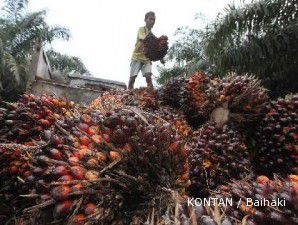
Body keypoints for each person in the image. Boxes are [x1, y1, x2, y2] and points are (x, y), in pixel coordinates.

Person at [128, 11, 164, 90]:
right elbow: (143, 39)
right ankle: (128, 94)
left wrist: (161, 57)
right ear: (145, 20)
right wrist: (155, 41)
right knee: (132, 78)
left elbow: (156, 48)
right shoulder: (141, 30)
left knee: (148, 77)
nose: (152, 21)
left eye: (154, 20)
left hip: (146, 59)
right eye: (150, 19)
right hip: (137, 57)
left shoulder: (152, 35)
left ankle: (151, 96)